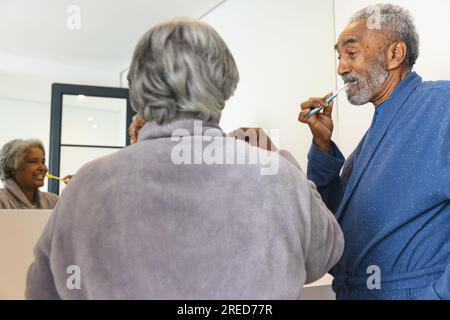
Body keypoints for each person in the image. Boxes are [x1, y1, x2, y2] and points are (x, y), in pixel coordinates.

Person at [26, 18, 343, 299]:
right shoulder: (276, 175)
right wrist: (281, 162)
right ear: (225, 86)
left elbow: (42, 291)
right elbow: (326, 252)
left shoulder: (87, 186)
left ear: (138, 91)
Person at [299, 4, 450, 300]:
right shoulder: (370, 143)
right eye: (339, 57)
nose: (341, 67)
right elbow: (329, 224)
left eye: (351, 53)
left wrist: (436, 294)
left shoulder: (442, 106)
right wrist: (322, 146)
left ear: (395, 55)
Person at [0, 139, 59, 209]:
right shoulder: (2, 200)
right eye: (33, 162)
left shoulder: (54, 201)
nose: (42, 168)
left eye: (43, 162)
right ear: (11, 167)